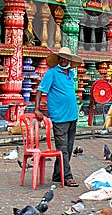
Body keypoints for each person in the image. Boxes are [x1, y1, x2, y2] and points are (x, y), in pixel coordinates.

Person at [34, 46, 83, 187]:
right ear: (58, 59)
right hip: (59, 116)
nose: (63, 60)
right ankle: (67, 176)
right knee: (62, 148)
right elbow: (40, 91)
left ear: (69, 60)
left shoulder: (70, 74)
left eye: (66, 58)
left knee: (68, 147)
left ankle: (57, 175)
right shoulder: (51, 73)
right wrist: (37, 109)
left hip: (72, 115)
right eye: (61, 58)